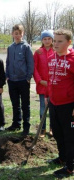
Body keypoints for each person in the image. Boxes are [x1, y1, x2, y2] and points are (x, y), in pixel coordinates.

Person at [45, 29, 74, 178]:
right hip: (54, 103)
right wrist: (47, 95)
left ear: (69, 42)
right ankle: (62, 157)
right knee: (57, 133)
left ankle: (70, 166)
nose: (55, 44)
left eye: (59, 41)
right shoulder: (52, 57)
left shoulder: (73, 59)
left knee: (69, 136)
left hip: (68, 105)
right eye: (54, 40)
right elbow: (50, 79)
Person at [5, 24, 34, 137]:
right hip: (12, 80)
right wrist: (7, 75)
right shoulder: (10, 48)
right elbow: (7, 63)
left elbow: (30, 64)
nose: (17, 35)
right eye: (15, 33)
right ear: (12, 34)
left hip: (23, 80)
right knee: (15, 103)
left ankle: (26, 126)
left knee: (25, 104)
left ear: (23, 34)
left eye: (19, 33)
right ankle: (16, 124)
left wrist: (28, 78)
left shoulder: (26, 47)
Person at [33, 30, 54, 138]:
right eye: (45, 39)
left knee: (53, 108)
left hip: (53, 86)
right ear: (42, 40)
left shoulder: (55, 51)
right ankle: (42, 128)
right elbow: (34, 68)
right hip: (42, 85)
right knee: (42, 107)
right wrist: (40, 80)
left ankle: (52, 128)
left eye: (49, 39)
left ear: (52, 40)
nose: (47, 41)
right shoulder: (38, 52)